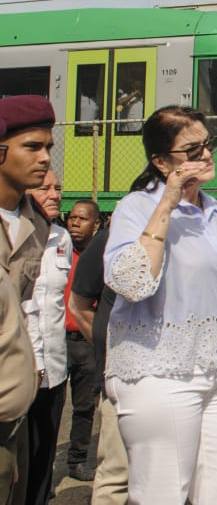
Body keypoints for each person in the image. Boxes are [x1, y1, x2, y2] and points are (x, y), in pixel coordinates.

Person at [103, 106, 217, 504]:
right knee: (162, 494)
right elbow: (131, 282)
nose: (206, 155)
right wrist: (167, 201)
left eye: (209, 144)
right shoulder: (136, 208)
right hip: (159, 371)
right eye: (192, 149)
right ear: (160, 160)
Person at [0, 94, 55, 505]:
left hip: (14, 415)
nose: (45, 158)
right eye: (32, 146)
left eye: (48, 147)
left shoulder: (34, 221)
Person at [67, 223, 129, 505]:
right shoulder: (110, 239)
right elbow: (78, 304)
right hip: (122, 384)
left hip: (180, 386)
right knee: (118, 474)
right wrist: (108, 347)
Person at [24, 171, 71, 505]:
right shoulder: (13, 237)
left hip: (55, 371)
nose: (54, 194)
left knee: (43, 461)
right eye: (44, 188)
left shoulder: (61, 240)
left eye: (57, 188)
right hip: (20, 373)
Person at [62, 199, 102, 482]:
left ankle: (76, 460)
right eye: (72, 218)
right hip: (56, 340)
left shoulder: (102, 257)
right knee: (45, 406)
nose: (75, 223)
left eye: (82, 219)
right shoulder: (57, 251)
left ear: (96, 224)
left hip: (85, 342)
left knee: (84, 406)